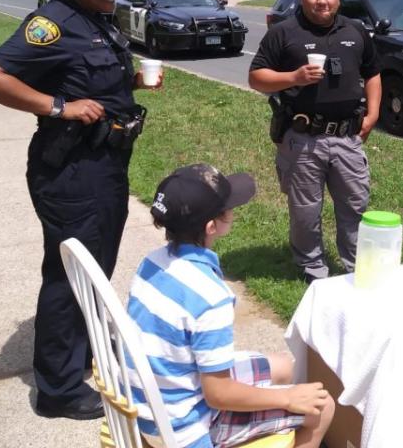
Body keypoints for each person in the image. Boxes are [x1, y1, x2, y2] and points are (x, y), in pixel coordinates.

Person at [0, 0, 159, 420]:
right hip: (72, 170)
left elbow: (88, 76)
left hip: (107, 165)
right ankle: (57, 389)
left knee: (96, 268)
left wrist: (131, 82)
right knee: (68, 274)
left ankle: (87, 351)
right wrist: (59, 106)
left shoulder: (95, 17)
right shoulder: (50, 24)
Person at [128, 164, 334, 448]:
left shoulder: (151, 262)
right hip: (185, 429)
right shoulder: (210, 297)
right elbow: (218, 394)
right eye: (229, 206)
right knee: (322, 407)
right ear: (212, 226)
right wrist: (288, 398)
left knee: (285, 367)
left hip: (149, 404)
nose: (234, 210)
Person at [248, 0, 381, 283]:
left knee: (355, 205)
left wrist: (373, 113)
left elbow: (373, 73)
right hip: (303, 138)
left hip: (348, 137)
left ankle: (354, 267)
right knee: (305, 210)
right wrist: (294, 77)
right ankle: (313, 269)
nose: (322, 1)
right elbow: (256, 77)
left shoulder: (356, 30)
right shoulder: (284, 32)